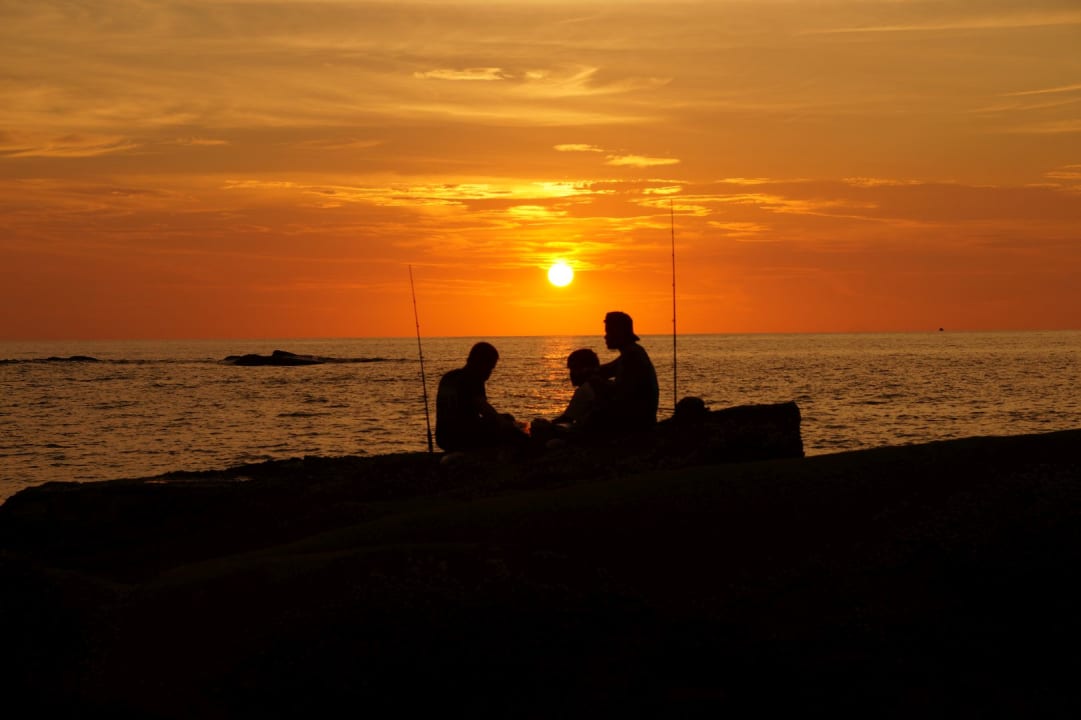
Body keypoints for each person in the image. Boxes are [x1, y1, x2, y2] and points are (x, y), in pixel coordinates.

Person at [435, 341, 528, 452]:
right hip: (462, 437)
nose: (489, 373)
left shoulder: (449, 377)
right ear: (481, 363)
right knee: (510, 429)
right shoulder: (473, 379)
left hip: (443, 438)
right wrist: (509, 426)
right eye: (490, 368)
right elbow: (485, 411)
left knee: (506, 418)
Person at [589, 311, 659, 432]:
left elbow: (621, 392)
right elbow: (607, 369)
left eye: (608, 332)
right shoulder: (631, 352)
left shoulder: (632, 355)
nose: (605, 336)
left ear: (619, 332)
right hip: (636, 418)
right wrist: (590, 371)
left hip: (636, 423)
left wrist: (595, 381)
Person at [530, 348, 600, 442]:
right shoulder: (599, 386)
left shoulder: (585, 390)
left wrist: (546, 424)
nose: (571, 374)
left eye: (574, 369)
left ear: (585, 369)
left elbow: (567, 418)